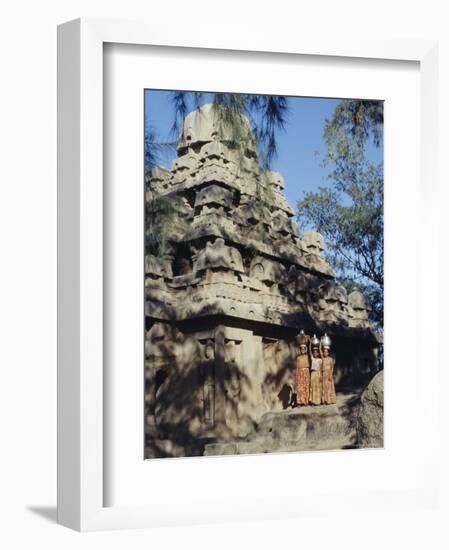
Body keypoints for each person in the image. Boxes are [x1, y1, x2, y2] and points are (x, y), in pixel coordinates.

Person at [295, 330, 310, 406]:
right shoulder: (298, 358)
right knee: (300, 387)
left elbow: (310, 350)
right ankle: (299, 402)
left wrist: (309, 341)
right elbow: (297, 366)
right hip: (300, 372)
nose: (302, 350)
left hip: (306, 371)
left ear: (306, 349)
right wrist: (297, 375)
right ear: (300, 350)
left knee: (306, 386)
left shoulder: (308, 356)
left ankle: (306, 401)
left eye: (304, 349)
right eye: (301, 349)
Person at [321, 333, 336, 405]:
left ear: (328, 352)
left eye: (326, 352)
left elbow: (332, 368)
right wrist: (321, 341)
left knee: (329, 388)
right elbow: (320, 351)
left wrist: (330, 375)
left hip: (328, 374)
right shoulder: (322, 359)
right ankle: (324, 400)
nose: (325, 353)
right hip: (323, 374)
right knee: (324, 388)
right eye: (324, 352)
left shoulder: (330, 359)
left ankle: (329, 400)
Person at [309, 334, 322, 405]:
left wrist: (320, 344)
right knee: (313, 386)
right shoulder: (312, 359)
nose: (315, 354)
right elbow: (310, 351)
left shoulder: (320, 360)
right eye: (314, 353)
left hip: (318, 373)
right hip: (313, 373)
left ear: (318, 354)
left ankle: (318, 401)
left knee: (317, 387)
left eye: (316, 353)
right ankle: (313, 401)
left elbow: (321, 352)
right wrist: (310, 343)